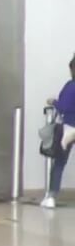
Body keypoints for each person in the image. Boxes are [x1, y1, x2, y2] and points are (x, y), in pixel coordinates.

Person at [42, 55, 75, 209]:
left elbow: (63, 107)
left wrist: (53, 101)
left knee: (59, 163)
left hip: (69, 128)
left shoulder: (71, 85)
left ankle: (51, 196)